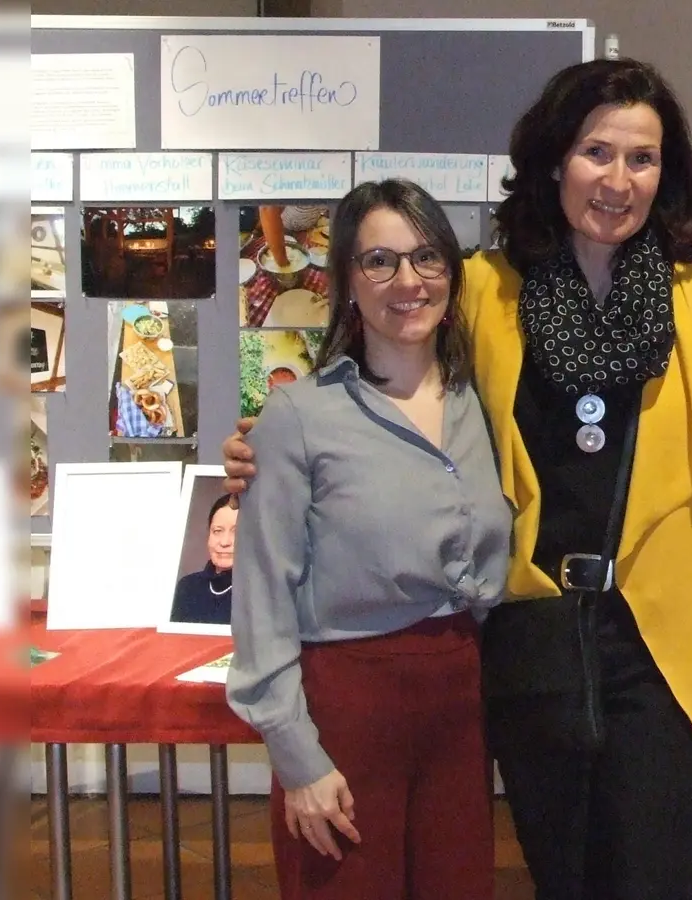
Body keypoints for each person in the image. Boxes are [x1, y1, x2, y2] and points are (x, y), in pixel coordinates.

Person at [224, 58, 692, 900]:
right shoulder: (483, 290)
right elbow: (389, 392)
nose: (617, 180)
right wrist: (271, 444)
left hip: (662, 646)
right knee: (561, 874)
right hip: (533, 636)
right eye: (595, 151)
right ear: (553, 161)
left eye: (643, 159)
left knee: (654, 873)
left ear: (670, 173)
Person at [225, 178, 512, 900]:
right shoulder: (297, 416)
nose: (408, 281)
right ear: (347, 279)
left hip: (460, 706)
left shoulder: (484, 405)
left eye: (426, 258)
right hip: (347, 711)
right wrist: (298, 760)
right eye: (380, 261)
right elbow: (261, 603)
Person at [168, 494, 237, 625]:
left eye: (237, 531)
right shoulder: (187, 587)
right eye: (217, 531)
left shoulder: (262, 592)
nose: (224, 542)